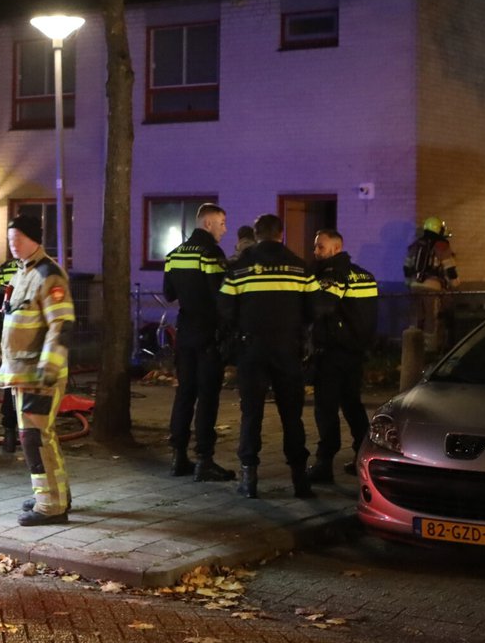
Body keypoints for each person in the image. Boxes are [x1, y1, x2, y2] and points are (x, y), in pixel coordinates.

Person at [218, 213, 321, 499]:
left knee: (251, 414)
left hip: (251, 350)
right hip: (288, 350)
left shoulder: (240, 268)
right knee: (292, 415)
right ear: (281, 234)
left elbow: (224, 307)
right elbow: (316, 308)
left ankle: (249, 478)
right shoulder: (300, 267)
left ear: (256, 233)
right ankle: (300, 479)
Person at [0, 214, 76, 525]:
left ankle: (50, 505)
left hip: (38, 373)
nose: (13, 245)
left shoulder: (48, 274)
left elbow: (61, 323)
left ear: (34, 239)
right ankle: (53, 494)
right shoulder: (21, 273)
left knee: (34, 437)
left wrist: (50, 365)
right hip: (21, 371)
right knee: (37, 435)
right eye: (9, 240)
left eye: (18, 239)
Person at [162, 203, 234, 481]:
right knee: (207, 396)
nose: (225, 230)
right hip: (208, 334)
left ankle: (178, 456)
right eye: (222, 223)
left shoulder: (174, 255)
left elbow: (169, 294)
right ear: (208, 224)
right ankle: (205, 458)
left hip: (185, 332)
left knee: (185, 394)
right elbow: (221, 297)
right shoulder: (211, 254)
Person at [308, 228, 378, 482]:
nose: (315, 252)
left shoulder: (333, 275)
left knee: (326, 407)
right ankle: (364, 456)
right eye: (315, 247)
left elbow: (321, 307)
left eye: (320, 247)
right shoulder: (365, 275)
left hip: (333, 353)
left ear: (336, 248)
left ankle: (324, 463)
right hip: (356, 352)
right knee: (352, 405)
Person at [404, 216, 458, 351]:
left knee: (416, 317)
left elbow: (406, 267)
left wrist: (409, 283)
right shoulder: (442, 245)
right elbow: (449, 268)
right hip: (432, 287)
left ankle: (412, 348)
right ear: (438, 229)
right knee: (431, 319)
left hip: (414, 286)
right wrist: (455, 283)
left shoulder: (415, 245)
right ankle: (429, 349)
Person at [0, 254, 21, 454]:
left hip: (9, 334)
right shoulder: (44, 269)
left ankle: (9, 433)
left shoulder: (4, 268)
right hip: (32, 340)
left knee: (11, 385)